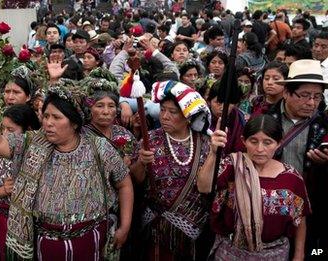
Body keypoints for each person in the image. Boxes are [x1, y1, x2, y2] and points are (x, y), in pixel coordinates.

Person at [0, 80, 134, 260]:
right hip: (46, 243)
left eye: (56, 117)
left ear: (75, 123)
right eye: (46, 116)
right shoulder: (31, 143)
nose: (48, 123)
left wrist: (124, 226)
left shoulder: (98, 147)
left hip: (90, 241)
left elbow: (124, 184)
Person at [197, 115, 310, 260]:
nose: (260, 149)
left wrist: (299, 255)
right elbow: (203, 187)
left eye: (268, 142)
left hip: (275, 254)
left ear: (279, 144)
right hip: (231, 252)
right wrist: (213, 153)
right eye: (253, 141)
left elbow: (300, 219)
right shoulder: (231, 166)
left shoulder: (291, 178)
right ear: (244, 141)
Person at [130, 81, 211, 260]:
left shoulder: (206, 143)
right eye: (162, 110)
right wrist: (141, 162)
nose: (164, 116)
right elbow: (137, 180)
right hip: (155, 227)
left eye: (172, 112)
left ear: (188, 116)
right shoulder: (149, 139)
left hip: (193, 228)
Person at [268, 59, 328, 258]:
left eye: (317, 96)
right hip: (271, 208)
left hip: (312, 208)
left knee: (312, 253)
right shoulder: (266, 120)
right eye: (304, 95)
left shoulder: (324, 123)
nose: (311, 103)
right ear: (286, 93)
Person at [0, 104, 40, 261]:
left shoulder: (39, 152)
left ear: (28, 130)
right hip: (6, 219)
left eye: (11, 130)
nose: (5, 134)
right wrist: (4, 190)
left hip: (35, 223)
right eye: (3, 128)